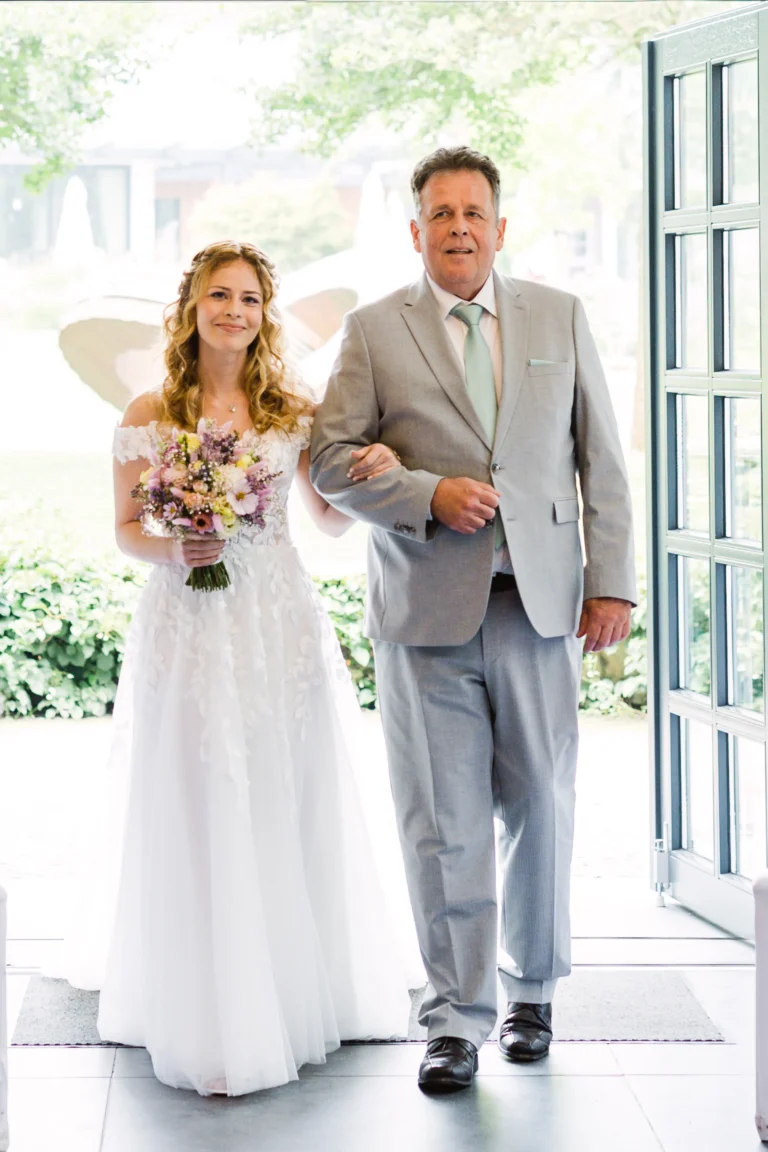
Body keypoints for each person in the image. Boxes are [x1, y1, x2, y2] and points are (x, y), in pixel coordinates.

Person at [310, 146, 636, 1093]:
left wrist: (612, 583)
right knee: (442, 823)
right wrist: (425, 494)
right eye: (442, 214)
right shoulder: (374, 331)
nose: (459, 227)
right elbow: (329, 461)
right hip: (425, 614)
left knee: (542, 805)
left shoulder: (558, 316)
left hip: (539, 607)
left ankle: (533, 995)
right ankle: (454, 1019)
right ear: (415, 231)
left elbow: (602, 459)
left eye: (474, 212)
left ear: (500, 226)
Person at [64, 241, 410, 1097]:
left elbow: (328, 521)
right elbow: (125, 530)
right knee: (195, 786)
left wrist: (375, 469)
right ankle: (205, 1003)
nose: (234, 311)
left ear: (265, 314)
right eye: (220, 295)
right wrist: (176, 548)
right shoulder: (150, 409)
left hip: (274, 620)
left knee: (282, 781)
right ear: (192, 307)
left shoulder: (294, 409)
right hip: (187, 618)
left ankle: (290, 991)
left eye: (250, 298)